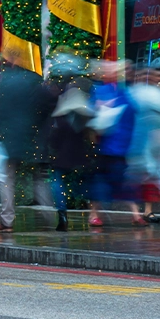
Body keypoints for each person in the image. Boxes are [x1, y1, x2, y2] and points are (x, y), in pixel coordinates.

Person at [0, 54, 57, 232]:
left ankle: (7, 221)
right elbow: (47, 108)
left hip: (11, 140)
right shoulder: (34, 82)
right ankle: (50, 217)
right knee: (40, 178)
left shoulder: (3, 83)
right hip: (34, 138)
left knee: (7, 179)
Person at [88, 60, 141, 227]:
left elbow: (131, 113)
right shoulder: (101, 91)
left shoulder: (121, 92)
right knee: (103, 181)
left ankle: (135, 213)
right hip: (105, 146)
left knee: (120, 180)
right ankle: (95, 214)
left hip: (117, 146)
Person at [46, 59, 95, 232]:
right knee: (81, 182)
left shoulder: (60, 114)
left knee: (57, 182)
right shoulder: (84, 117)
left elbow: (54, 136)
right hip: (79, 155)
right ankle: (91, 209)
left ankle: (62, 215)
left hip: (60, 156)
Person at [127, 67, 160, 223]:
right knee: (146, 173)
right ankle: (141, 212)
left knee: (156, 173)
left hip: (156, 139)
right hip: (142, 140)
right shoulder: (137, 93)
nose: (158, 78)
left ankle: (152, 211)